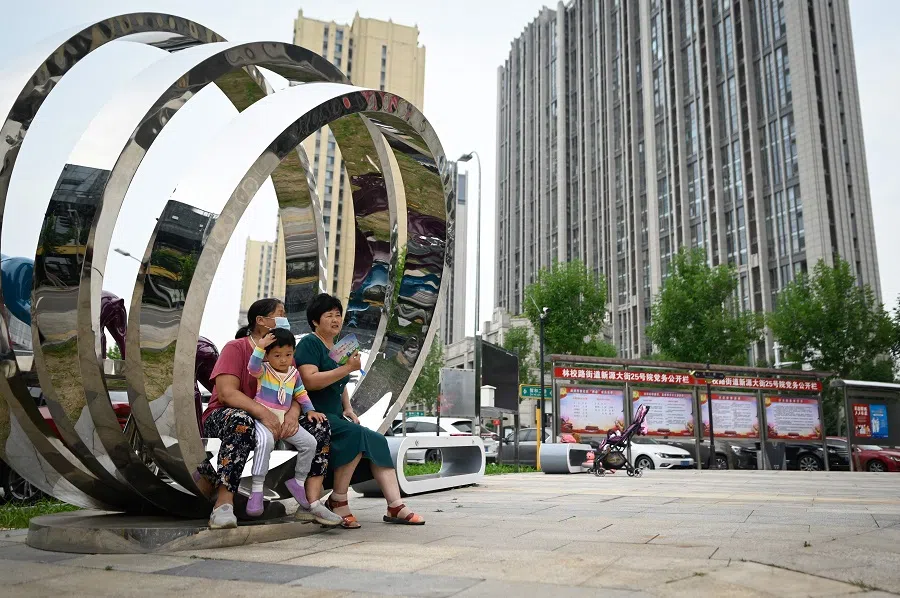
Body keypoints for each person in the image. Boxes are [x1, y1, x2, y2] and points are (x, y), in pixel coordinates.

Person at [195, 298, 333, 529]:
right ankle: (223, 504)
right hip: (227, 415)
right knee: (242, 421)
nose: (285, 319)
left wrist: (292, 415)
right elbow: (227, 393)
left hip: (275, 418)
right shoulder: (236, 348)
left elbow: (295, 391)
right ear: (260, 321)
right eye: (280, 314)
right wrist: (263, 413)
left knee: (319, 425)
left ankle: (309, 502)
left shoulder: (284, 353)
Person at [295, 293, 425, 528]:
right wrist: (346, 368)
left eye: (338, 315)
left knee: (377, 440)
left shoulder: (339, 346)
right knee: (356, 436)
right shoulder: (309, 343)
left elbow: (341, 384)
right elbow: (310, 380)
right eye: (329, 315)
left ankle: (395, 505)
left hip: (336, 415)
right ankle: (339, 500)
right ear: (315, 321)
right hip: (313, 415)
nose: (336, 319)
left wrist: (348, 407)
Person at [245, 328, 341, 525]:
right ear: (268, 355)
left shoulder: (294, 374)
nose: (283, 360)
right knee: (264, 443)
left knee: (310, 443)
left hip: (286, 422)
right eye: (277, 355)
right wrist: (259, 348)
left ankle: (297, 482)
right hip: (264, 420)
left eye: (288, 355)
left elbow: (301, 394)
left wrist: (310, 410)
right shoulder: (264, 369)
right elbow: (251, 368)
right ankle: (256, 490)